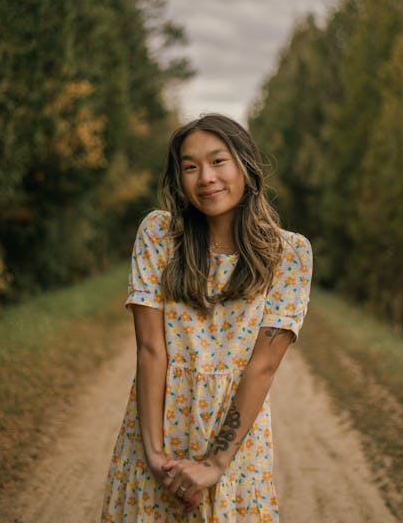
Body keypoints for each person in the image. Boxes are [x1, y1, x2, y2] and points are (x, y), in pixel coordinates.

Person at [100, 113, 313, 523]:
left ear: (245, 166)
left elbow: (262, 367)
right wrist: (156, 456)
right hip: (156, 436)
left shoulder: (289, 254)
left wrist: (214, 464)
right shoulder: (159, 235)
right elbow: (150, 348)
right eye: (190, 166)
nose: (205, 178)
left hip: (233, 451)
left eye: (218, 161)